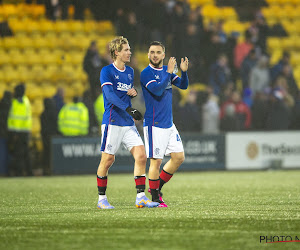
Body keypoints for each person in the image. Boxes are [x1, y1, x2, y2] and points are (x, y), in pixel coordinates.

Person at [96, 36, 159, 209]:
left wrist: (130, 94)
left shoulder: (130, 72)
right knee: (108, 159)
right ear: (117, 52)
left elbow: (123, 92)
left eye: (129, 49)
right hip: (112, 120)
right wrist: (128, 108)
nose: (130, 52)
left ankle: (140, 197)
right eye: (126, 50)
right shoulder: (106, 71)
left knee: (141, 156)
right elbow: (109, 95)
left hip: (127, 122)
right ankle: (101, 199)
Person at [140, 41, 189, 207]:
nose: (155, 55)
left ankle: (157, 188)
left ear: (163, 55)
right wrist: (168, 72)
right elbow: (158, 90)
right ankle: (155, 199)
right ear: (148, 55)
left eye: (158, 52)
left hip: (169, 124)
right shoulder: (146, 73)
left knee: (178, 157)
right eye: (152, 52)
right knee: (156, 162)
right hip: (155, 124)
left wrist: (183, 72)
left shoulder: (165, 72)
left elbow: (183, 85)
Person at [7, 84, 32, 176]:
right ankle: (29, 172)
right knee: (26, 153)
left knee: (19, 154)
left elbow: (17, 120)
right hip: (25, 131)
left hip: (18, 132)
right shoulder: (26, 100)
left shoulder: (17, 102)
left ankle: (19, 173)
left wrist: (15, 134)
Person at [40, 98, 58, 175]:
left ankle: (45, 170)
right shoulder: (54, 112)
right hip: (53, 136)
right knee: (53, 153)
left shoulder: (42, 114)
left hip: (44, 136)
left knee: (46, 153)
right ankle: (53, 169)